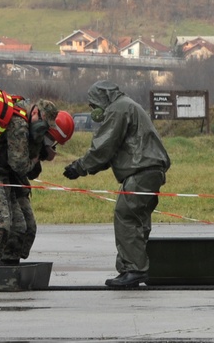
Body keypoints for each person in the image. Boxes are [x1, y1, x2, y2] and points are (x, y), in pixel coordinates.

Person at [63, 80, 171, 288]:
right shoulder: (128, 105)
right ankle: (131, 268)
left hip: (140, 172)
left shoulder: (118, 109)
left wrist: (80, 167)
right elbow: (111, 153)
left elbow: (104, 146)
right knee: (138, 221)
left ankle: (134, 270)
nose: (93, 111)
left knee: (126, 217)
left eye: (94, 105)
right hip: (150, 172)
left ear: (102, 98)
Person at [0, 98, 74, 266]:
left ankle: (8, 269)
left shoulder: (30, 123)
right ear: (35, 113)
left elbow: (25, 168)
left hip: (2, 171)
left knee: (20, 227)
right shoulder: (19, 125)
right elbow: (20, 165)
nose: (45, 137)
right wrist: (36, 158)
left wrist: (38, 152)